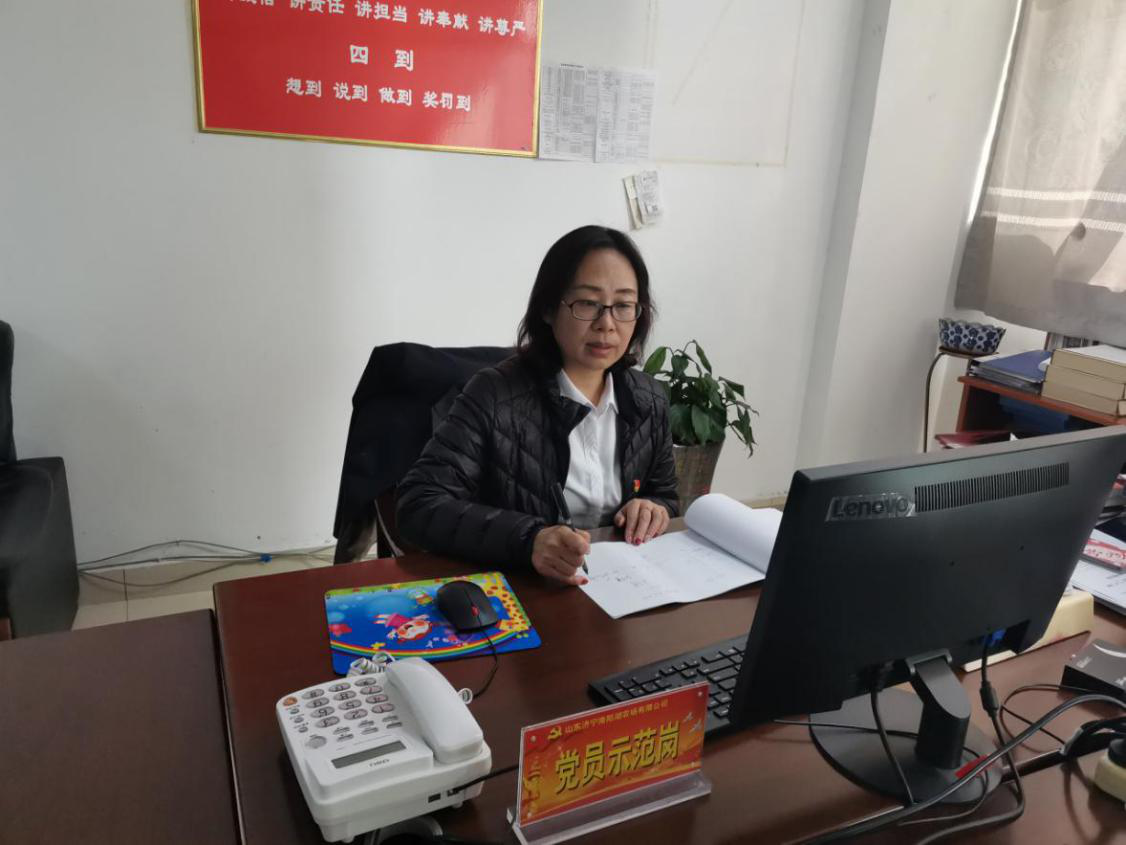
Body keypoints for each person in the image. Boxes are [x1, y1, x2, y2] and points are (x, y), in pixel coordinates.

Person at [396, 225, 678, 585]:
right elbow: (419, 504)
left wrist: (653, 508)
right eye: (587, 303)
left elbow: (664, 495)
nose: (607, 324)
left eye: (623, 306)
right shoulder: (494, 396)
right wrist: (529, 540)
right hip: (523, 588)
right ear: (548, 309)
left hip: (621, 587)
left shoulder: (649, 399)